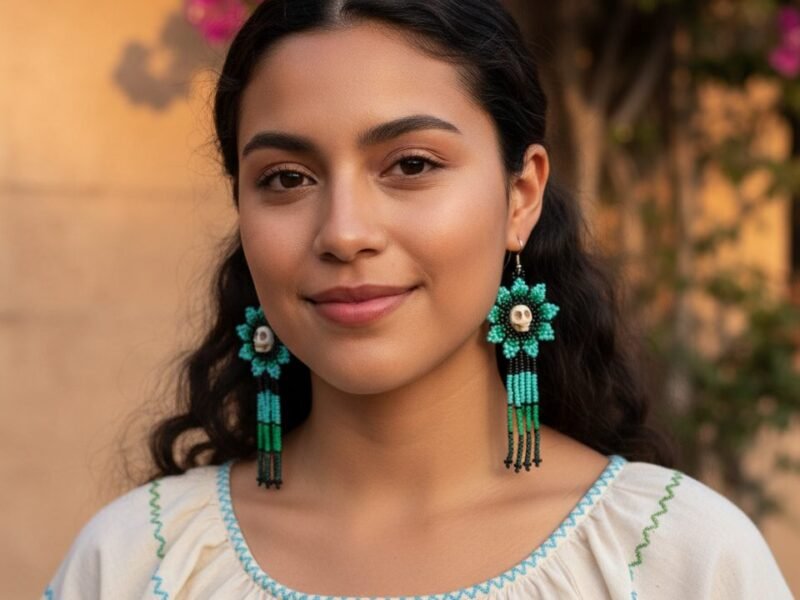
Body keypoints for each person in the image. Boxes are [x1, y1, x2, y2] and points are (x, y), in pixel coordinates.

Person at [43, 1, 793, 598]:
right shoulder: (139, 565)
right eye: (286, 178)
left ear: (521, 194)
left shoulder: (676, 561)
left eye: (410, 164)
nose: (343, 232)